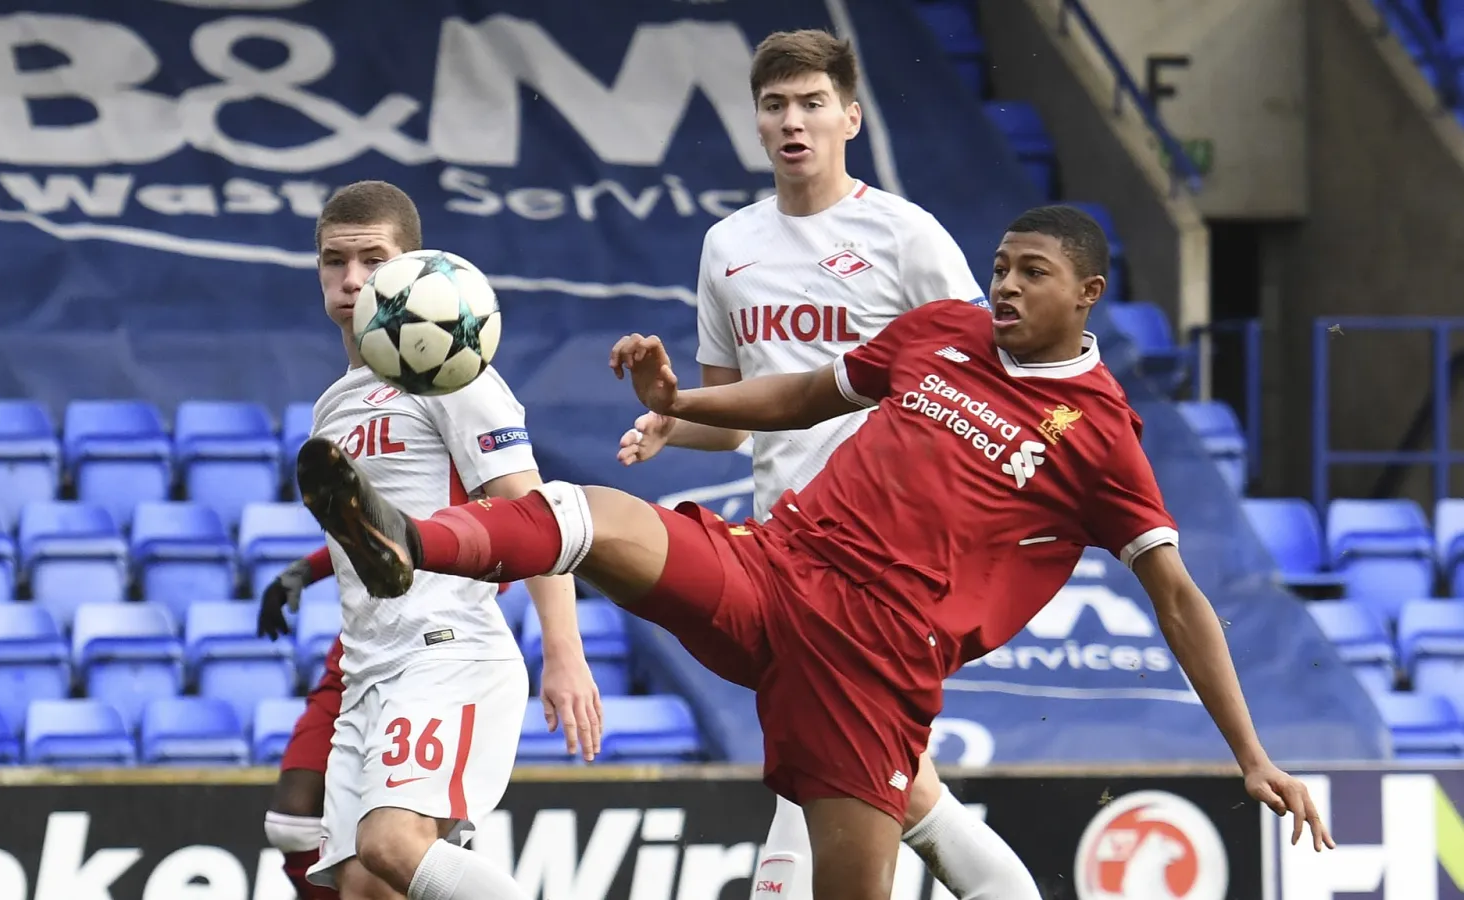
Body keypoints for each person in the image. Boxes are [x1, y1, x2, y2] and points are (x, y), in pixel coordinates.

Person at [291, 205, 1335, 900]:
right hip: (780, 565)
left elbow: (1178, 598)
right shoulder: (943, 331)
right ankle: (412, 539)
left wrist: (1250, 754)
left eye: (1033, 273)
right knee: (590, 513)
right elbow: (805, 395)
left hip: (873, 664)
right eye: (1001, 268)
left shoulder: (1100, 436)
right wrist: (683, 402)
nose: (1005, 287)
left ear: (1089, 293)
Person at [614, 28, 1032, 899]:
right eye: (775, 106)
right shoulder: (729, 245)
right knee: (893, 786)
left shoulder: (907, 236)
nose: (793, 121)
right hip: (784, 559)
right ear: (757, 122)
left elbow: (987, 384)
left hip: (885, 566)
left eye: (812, 103)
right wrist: (671, 421)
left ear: (851, 117)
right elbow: (732, 418)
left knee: (826, 777)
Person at [263, 180, 603, 900]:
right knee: (364, 884)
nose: (351, 279)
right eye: (334, 261)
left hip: (446, 654)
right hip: (367, 673)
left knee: (391, 845)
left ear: (410, 267)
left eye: (372, 259)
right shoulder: (332, 406)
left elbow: (536, 518)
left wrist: (564, 654)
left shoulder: (452, 370)